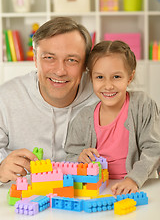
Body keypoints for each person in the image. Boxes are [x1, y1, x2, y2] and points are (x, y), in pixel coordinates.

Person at [0, 17, 97, 183]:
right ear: (35, 60)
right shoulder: (6, 97)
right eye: (49, 58)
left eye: (71, 60)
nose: (60, 71)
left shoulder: (104, 96)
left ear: (85, 65)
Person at [65, 40, 160, 195]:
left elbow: (154, 147)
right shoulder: (83, 117)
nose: (108, 86)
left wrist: (133, 180)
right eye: (100, 77)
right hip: (96, 189)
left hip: (137, 186)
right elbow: (70, 155)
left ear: (130, 77)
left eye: (116, 77)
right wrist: (79, 157)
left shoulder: (142, 105)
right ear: (91, 78)